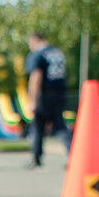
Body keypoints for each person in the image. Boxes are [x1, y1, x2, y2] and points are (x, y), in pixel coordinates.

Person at [26, 31, 72, 168]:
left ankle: (36, 158)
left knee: (38, 126)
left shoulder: (38, 55)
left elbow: (36, 77)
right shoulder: (57, 53)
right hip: (59, 93)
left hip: (45, 94)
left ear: (34, 40)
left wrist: (32, 100)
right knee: (60, 126)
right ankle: (73, 155)